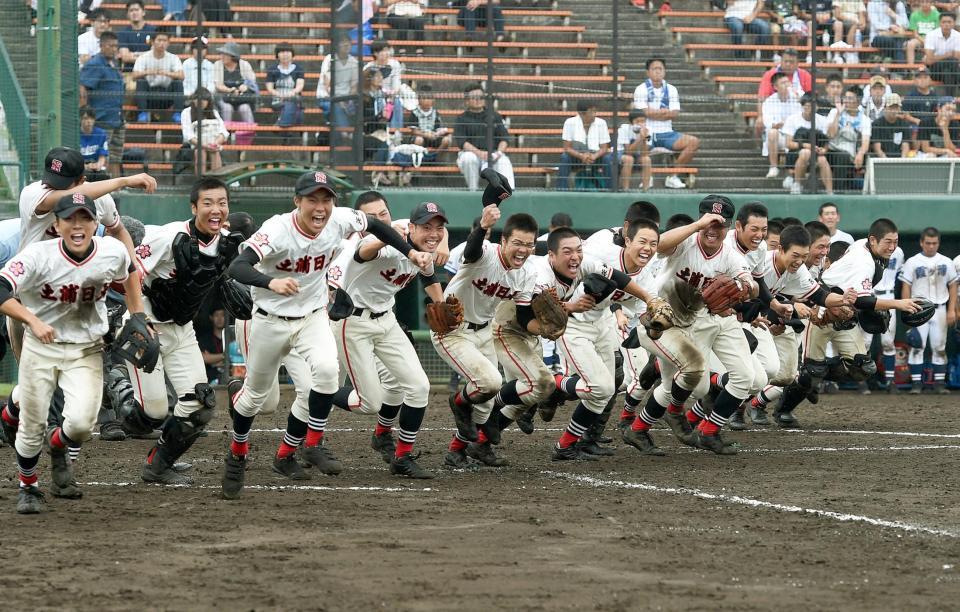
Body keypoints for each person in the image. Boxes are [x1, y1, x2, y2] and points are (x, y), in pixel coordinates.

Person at [220, 171, 431, 497]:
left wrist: (410, 252)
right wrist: (270, 282)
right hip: (270, 319)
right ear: (297, 202)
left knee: (327, 373)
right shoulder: (278, 228)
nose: (320, 207)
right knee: (254, 400)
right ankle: (238, 452)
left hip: (312, 317)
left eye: (326, 199)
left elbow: (375, 226)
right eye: (312, 199)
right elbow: (238, 267)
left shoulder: (341, 219)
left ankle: (311, 443)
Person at [0, 194, 135, 513]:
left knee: (81, 424)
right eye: (70, 218)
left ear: (95, 223)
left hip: (85, 350)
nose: (78, 225)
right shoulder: (35, 254)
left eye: (85, 218)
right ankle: (28, 486)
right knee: (33, 424)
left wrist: (138, 316)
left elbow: (130, 277)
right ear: (56, 224)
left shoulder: (111, 251)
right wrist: (32, 320)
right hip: (40, 344)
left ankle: (58, 448)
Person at [116, 177, 240, 486]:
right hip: (148, 326)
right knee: (155, 412)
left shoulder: (226, 243)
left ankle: (158, 465)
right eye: (208, 203)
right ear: (194, 207)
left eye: (222, 203)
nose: (216, 210)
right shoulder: (170, 237)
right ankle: (119, 389)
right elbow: (127, 274)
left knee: (200, 404)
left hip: (182, 330)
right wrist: (137, 317)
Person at [327, 200, 447, 478]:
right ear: (411, 228)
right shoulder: (383, 245)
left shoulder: (424, 248)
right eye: (426, 227)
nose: (434, 233)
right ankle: (319, 391)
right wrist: (389, 237)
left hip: (387, 321)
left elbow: (429, 278)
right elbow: (364, 251)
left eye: (438, 227)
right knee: (371, 403)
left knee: (419, 387)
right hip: (353, 323)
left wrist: (440, 304)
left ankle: (402, 458)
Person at [775, 219, 921, 426]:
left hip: (845, 312)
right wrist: (898, 304)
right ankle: (782, 410)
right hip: (822, 310)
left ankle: (814, 378)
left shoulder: (866, 247)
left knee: (863, 367)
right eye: (887, 241)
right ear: (873, 239)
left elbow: (854, 293)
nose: (892, 247)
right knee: (810, 372)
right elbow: (862, 299)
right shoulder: (865, 261)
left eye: (895, 242)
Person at [435, 202, 540, 468]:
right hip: (453, 330)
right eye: (517, 243)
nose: (523, 250)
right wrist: (483, 226)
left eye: (529, 245)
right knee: (490, 382)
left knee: (485, 403)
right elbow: (470, 251)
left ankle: (458, 451)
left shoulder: (527, 273)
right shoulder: (485, 252)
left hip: (483, 331)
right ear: (503, 240)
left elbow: (526, 316)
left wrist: (545, 329)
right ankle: (458, 401)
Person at [899, 227, 958, 394]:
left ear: (938, 243)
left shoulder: (946, 261)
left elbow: (953, 285)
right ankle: (917, 384)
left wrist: (951, 310)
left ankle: (939, 384)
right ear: (921, 243)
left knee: (939, 346)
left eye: (934, 243)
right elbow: (906, 286)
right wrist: (907, 308)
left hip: (939, 308)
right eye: (928, 243)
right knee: (917, 345)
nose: (931, 246)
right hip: (919, 308)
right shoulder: (912, 261)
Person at [632, 58, 699, 189]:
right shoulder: (641, 89)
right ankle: (647, 177)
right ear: (648, 72)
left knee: (693, 142)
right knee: (642, 141)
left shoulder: (672, 89)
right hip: (648, 131)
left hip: (668, 133)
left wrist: (654, 112)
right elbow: (643, 113)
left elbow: (674, 114)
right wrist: (663, 113)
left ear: (665, 71)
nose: (657, 72)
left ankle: (672, 176)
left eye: (660, 69)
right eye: (654, 69)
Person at [79, 31, 125, 178]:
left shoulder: (114, 64)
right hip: (101, 118)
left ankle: (117, 188)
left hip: (117, 118)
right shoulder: (95, 64)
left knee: (117, 155)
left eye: (115, 46)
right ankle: (105, 187)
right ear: (101, 46)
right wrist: (85, 112)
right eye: (110, 45)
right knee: (106, 155)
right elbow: (83, 87)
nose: (114, 48)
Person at [454, 82, 514, 191]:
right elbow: (462, 142)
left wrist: (498, 153)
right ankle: (473, 192)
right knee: (469, 159)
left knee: (504, 161)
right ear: (467, 101)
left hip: (493, 154)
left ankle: (509, 194)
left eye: (481, 97)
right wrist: (480, 153)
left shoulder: (494, 116)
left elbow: (504, 138)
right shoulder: (461, 118)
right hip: (472, 153)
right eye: (474, 97)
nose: (478, 100)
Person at [782, 93, 833, 194]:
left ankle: (830, 192)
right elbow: (788, 144)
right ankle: (797, 184)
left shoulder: (822, 120)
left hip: (816, 153)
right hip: (795, 154)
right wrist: (806, 146)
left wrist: (824, 150)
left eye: (812, 106)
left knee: (822, 159)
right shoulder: (792, 119)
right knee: (805, 152)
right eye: (806, 106)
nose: (809, 108)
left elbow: (826, 141)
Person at [558, 100, 613, 190]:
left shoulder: (601, 123)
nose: (594, 114)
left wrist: (594, 156)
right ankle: (561, 190)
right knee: (565, 157)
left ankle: (610, 190)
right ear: (581, 113)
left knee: (608, 158)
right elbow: (567, 148)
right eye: (591, 112)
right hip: (577, 156)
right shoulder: (570, 122)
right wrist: (581, 156)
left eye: (595, 111)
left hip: (595, 156)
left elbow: (604, 148)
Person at [132, 31, 185, 123]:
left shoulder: (173, 58)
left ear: (168, 43)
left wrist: (167, 73)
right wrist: (148, 72)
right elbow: (134, 76)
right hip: (149, 95)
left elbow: (182, 76)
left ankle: (177, 114)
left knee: (178, 82)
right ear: (152, 42)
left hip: (166, 95)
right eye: (159, 40)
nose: (162, 43)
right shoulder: (143, 57)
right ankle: (142, 114)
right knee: (141, 81)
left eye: (165, 41)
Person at [826, 86, 872, 191]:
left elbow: (865, 142)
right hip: (831, 151)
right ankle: (838, 191)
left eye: (850, 99)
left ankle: (839, 190)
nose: (846, 101)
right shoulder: (834, 112)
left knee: (844, 157)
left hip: (850, 153)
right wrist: (839, 113)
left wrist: (860, 154)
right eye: (845, 98)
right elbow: (831, 134)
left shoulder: (865, 119)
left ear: (858, 102)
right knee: (841, 157)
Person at [761, 72, 802, 178]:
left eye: (787, 82)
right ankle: (773, 167)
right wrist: (780, 124)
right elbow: (768, 123)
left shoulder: (797, 96)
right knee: (772, 133)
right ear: (775, 87)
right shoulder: (768, 102)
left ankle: (793, 174)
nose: (787, 85)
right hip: (780, 136)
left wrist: (800, 98)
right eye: (783, 83)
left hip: (795, 135)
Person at [181, 88, 229, 171]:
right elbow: (187, 135)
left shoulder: (214, 112)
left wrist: (214, 144)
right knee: (200, 152)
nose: (200, 102)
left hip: (213, 144)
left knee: (215, 151)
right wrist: (204, 145)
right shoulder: (186, 112)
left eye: (204, 100)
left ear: (208, 101)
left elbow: (223, 132)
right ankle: (201, 182)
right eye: (197, 99)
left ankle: (215, 181)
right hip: (194, 146)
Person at [317, 34, 359, 130]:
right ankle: (344, 133)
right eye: (343, 42)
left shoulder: (354, 62)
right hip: (326, 97)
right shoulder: (329, 59)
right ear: (336, 45)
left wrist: (348, 100)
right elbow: (327, 85)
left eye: (348, 42)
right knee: (336, 107)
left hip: (346, 98)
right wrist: (339, 100)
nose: (346, 45)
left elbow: (353, 86)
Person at [213, 41, 258, 125]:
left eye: (225, 54)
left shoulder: (244, 64)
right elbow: (218, 85)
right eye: (221, 54)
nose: (222, 56)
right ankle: (226, 134)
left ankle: (250, 133)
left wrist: (245, 86)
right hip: (224, 97)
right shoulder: (217, 64)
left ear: (233, 56)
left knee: (245, 108)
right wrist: (230, 90)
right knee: (227, 108)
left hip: (242, 98)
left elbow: (252, 81)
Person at [365, 40, 404, 129]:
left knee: (396, 102)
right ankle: (381, 129)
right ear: (375, 53)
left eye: (387, 50)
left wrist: (392, 93)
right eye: (383, 51)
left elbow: (396, 83)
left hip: (392, 95)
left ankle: (395, 131)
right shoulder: (369, 67)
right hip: (375, 95)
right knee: (379, 100)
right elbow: (367, 87)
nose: (386, 53)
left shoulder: (395, 64)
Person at [265, 43, 305, 128]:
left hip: (293, 98)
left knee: (291, 104)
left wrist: (291, 93)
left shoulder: (298, 69)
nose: (285, 54)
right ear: (277, 55)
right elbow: (269, 88)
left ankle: (281, 124)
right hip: (278, 100)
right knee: (295, 112)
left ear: (292, 54)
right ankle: (284, 124)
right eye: (282, 52)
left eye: (287, 52)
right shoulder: (272, 69)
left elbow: (300, 86)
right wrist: (280, 95)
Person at [923, 12, 960, 97]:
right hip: (934, 70)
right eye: (944, 22)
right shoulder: (931, 35)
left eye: (949, 22)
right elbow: (929, 61)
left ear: (954, 23)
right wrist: (948, 55)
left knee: (947, 73)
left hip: (951, 70)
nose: (946, 24)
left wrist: (936, 57)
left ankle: (949, 99)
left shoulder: (958, 36)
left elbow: (957, 57)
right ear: (940, 23)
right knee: (952, 61)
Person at [407, 84, 452, 152]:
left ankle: (435, 155)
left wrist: (438, 133)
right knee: (419, 140)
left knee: (446, 140)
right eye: (424, 98)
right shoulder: (415, 113)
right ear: (419, 100)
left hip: (433, 137)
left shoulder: (435, 113)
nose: (427, 101)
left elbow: (438, 128)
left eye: (429, 98)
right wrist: (425, 135)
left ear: (433, 100)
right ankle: (420, 158)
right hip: (421, 137)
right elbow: (414, 131)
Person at [616, 110, 653, 191]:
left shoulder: (648, 131)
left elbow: (645, 153)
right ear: (631, 122)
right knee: (629, 159)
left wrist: (644, 139)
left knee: (647, 160)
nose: (640, 124)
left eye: (643, 121)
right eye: (637, 121)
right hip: (620, 153)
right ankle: (625, 189)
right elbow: (627, 151)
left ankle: (645, 189)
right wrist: (640, 138)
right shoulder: (624, 129)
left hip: (637, 154)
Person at [117, 0, 157, 74]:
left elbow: (154, 55)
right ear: (127, 14)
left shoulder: (153, 31)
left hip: (149, 72)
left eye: (137, 10)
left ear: (143, 12)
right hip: (129, 72)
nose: (134, 13)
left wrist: (134, 54)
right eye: (131, 10)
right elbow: (125, 57)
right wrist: (145, 55)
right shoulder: (122, 33)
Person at [871, 93, 912, 158]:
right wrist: (887, 162)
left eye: (896, 107)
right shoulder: (876, 124)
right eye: (891, 107)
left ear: (899, 108)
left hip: (899, 159)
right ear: (885, 108)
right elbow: (877, 148)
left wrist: (902, 160)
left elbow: (905, 146)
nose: (894, 110)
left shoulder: (904, 124)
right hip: (881, 161)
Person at [902, 66, 939, 130]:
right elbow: (906, 115)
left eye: (925, 77)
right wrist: (918, 122)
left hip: (930, 126)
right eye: (919, 77)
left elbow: (937, 112)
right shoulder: (910, 96)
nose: (922, 80)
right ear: (915, 80)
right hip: (914, 125)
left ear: (930, 80)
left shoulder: (934, 95)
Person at [905, 0, 940, 66]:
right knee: (910, 44)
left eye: (927, 2)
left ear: (931, 3)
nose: (925, 4)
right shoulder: (914, 15)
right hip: (919, 38)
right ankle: (911, 68)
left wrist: (928, 41)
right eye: (922, 2)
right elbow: (915, 34)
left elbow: (937, 32)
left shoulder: (937, 15)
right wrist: (924, 41)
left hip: (933, 39)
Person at [198, 308, 226, 384]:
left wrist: (213, 362)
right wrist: (226, 356)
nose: (219, 318)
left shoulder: (232, 336)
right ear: (211, 317)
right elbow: (204, 358)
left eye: (222, 315)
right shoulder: (205, 338)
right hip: (210, 379)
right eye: (216, 315)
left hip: (229, 377)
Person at [79, 107, 109, 175]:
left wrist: (98, 165)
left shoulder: (101, 134)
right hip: (79, 168)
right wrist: (85, 167)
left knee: (104, 175)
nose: (89, 121)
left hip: (95, 167)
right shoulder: (75, 135)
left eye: (91, 118)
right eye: (86, 118)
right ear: (80, 119)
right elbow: (72, 160)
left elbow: (102, 156)